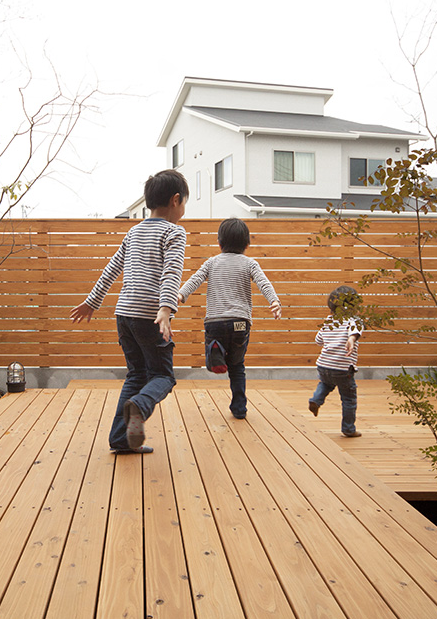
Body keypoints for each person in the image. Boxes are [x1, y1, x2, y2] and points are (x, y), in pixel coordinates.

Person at [69, 169, 189, 454]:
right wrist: (165, 308)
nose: (184, 210)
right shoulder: (174, 232)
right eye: (184, 203)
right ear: (175, 200)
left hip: (124, 315)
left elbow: (111, 270)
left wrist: (92, 301)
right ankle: (140, 406)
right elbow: (172, 272)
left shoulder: (134, 231)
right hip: (150, 315)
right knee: (163, 376)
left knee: (136, 375)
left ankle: (121, 440)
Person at [178, 218, 281, 419]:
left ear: (219, 243)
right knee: (237, 366)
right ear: (247, 245)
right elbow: (264, 283)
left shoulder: (212, 262)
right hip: (240, 322)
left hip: (215, 321)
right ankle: (239, 409)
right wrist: (274, 301)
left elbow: (195, 279)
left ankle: (215, 349)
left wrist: (181, 294)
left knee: (214, 353)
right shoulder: (250, 263)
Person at [309, 285, 363, 437]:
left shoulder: (329, 321)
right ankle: (348, 429)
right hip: (342, 367)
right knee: (349, 398)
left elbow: (318, 340)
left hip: (323, 364)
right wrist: (351, 340)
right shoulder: (354, 320)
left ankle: (316, 400)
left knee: (325, 384)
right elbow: (355, 332)